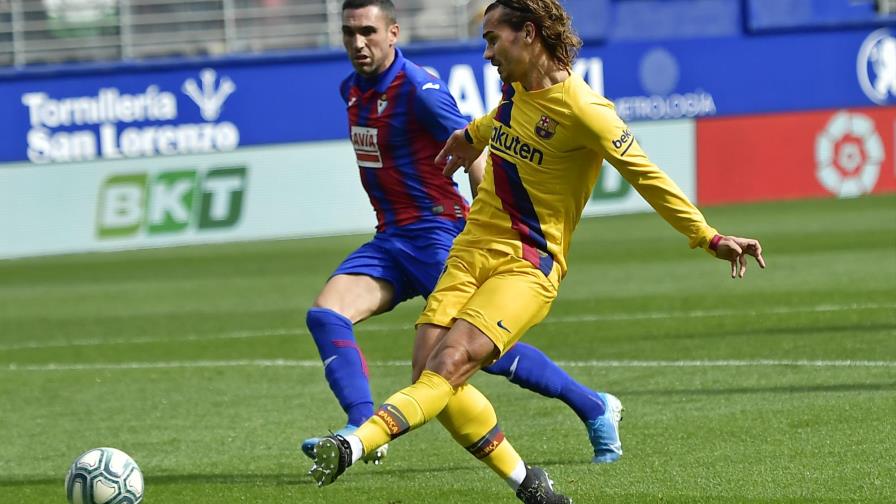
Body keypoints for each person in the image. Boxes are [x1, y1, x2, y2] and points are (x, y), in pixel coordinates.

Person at [308, 0, 767, 501]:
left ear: (527, 34)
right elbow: (502, 122)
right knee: (428, 375)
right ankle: (531, 485)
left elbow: (647, 175)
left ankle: (353, 442)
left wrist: (709, 236)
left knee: (453, 362)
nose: (485, 53)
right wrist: (468, 136)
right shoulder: (515, 88)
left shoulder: (585, 109)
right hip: (469, 249)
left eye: (491, 39)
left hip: (526, 262)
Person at [301, 0, 626, 468]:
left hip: (439, 233)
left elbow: (476, 150)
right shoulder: (351, 88)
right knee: (326, 315)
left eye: (368, 31)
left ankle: (593, 405)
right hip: (391, 240)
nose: (358, 42)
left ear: (393, 33)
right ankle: (361, 425)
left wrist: (486, 224)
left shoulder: (420, 89)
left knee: (474, 352)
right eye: (349, 32)